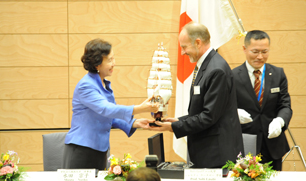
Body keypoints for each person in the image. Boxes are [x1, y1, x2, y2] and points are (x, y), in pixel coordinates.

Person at [150, 22, 244, 168]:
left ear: (198, 42)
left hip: (216, 155)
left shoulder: (216, 70)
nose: (182, 52)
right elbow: (202, 110)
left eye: (184, 47)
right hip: (207, 151)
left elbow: (208, 116)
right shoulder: (207, 65)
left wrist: (174, 127)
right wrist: (177, 121)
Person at [62, 38, 159, 170]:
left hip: (99, 149)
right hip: (81, 150)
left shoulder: (104, 84)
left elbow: (110, 117)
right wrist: (140, 108)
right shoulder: (86, 86)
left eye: (113, 58)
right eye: (109, 60)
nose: (114, 63)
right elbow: (106, 109)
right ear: (97, 64)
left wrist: (134, 123)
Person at [233, 30, 292, 171]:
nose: (260, 57)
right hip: (244, 143)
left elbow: (285, 105)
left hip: (272, 143)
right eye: (255, 51)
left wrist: (280, 121)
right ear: (244, 49)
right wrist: (234, 112)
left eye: (264, 51)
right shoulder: (232, 76)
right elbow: (224, 106)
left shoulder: (278, 74)